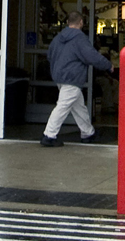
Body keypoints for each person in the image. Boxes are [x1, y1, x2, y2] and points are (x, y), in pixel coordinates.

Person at [41, 10, 112, 146]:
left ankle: (88, 132)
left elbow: (49, 55)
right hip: (73, 77)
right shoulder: (79, 38)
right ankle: (49, 135)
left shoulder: (57, 38)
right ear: (81, 22)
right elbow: (92, 56)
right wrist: (107, 65)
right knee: (62, 106)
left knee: (79, 107)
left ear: (68, 23)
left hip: (60, 77)